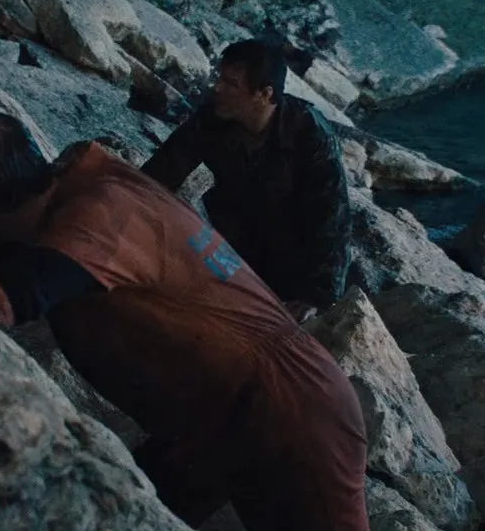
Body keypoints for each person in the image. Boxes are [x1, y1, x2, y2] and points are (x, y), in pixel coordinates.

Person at [0, 106, 374, 531]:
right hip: (213, 420)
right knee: (112, 530)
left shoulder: (95, 219)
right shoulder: (72, 192)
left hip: (292, 406)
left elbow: (2, 297)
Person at [140, 39, 351, 321]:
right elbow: (162, 172)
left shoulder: (309, 135)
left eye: (232, 84)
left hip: (291, 265)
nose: (217, 88)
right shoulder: (214, 118)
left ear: (264, 94)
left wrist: (318, 299)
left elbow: (332, 222)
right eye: (220, 78)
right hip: (232, 247)